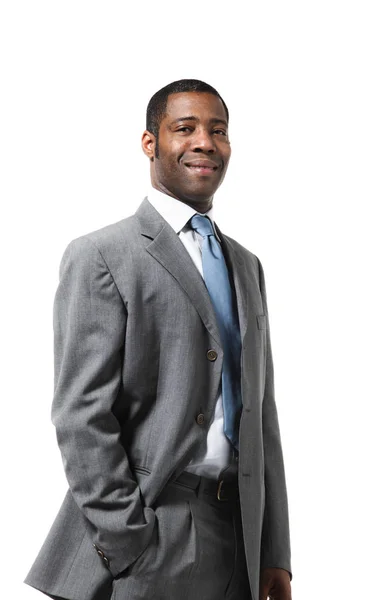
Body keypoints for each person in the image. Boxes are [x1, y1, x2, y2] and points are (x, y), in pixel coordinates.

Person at [24, 79, 292, 600]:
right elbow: (81, 415)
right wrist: (127, 539)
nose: (205, 143)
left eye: (218, 131)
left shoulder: (246, 265)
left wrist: (274, 551)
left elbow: (264, 414)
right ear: (151, 144)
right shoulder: (103, 255)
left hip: (240, 535)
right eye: (185, 128)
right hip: (155, 531)